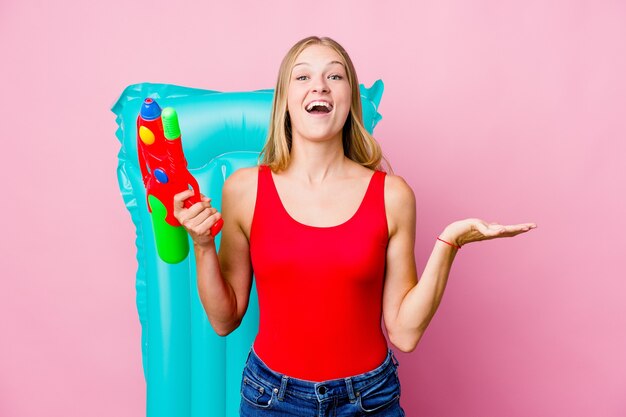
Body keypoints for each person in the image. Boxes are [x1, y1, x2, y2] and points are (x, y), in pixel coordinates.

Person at [173, 35, 537, 416]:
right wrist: (201, 246)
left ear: (349, 99)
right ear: (284, 101)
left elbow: (404, 332)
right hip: (272, 399)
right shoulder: (244, 190)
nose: (319, 86)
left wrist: (449, 243)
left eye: (335, 76)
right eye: (303, 77)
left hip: (369, 401)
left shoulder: (392, 195)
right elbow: (224, 319)